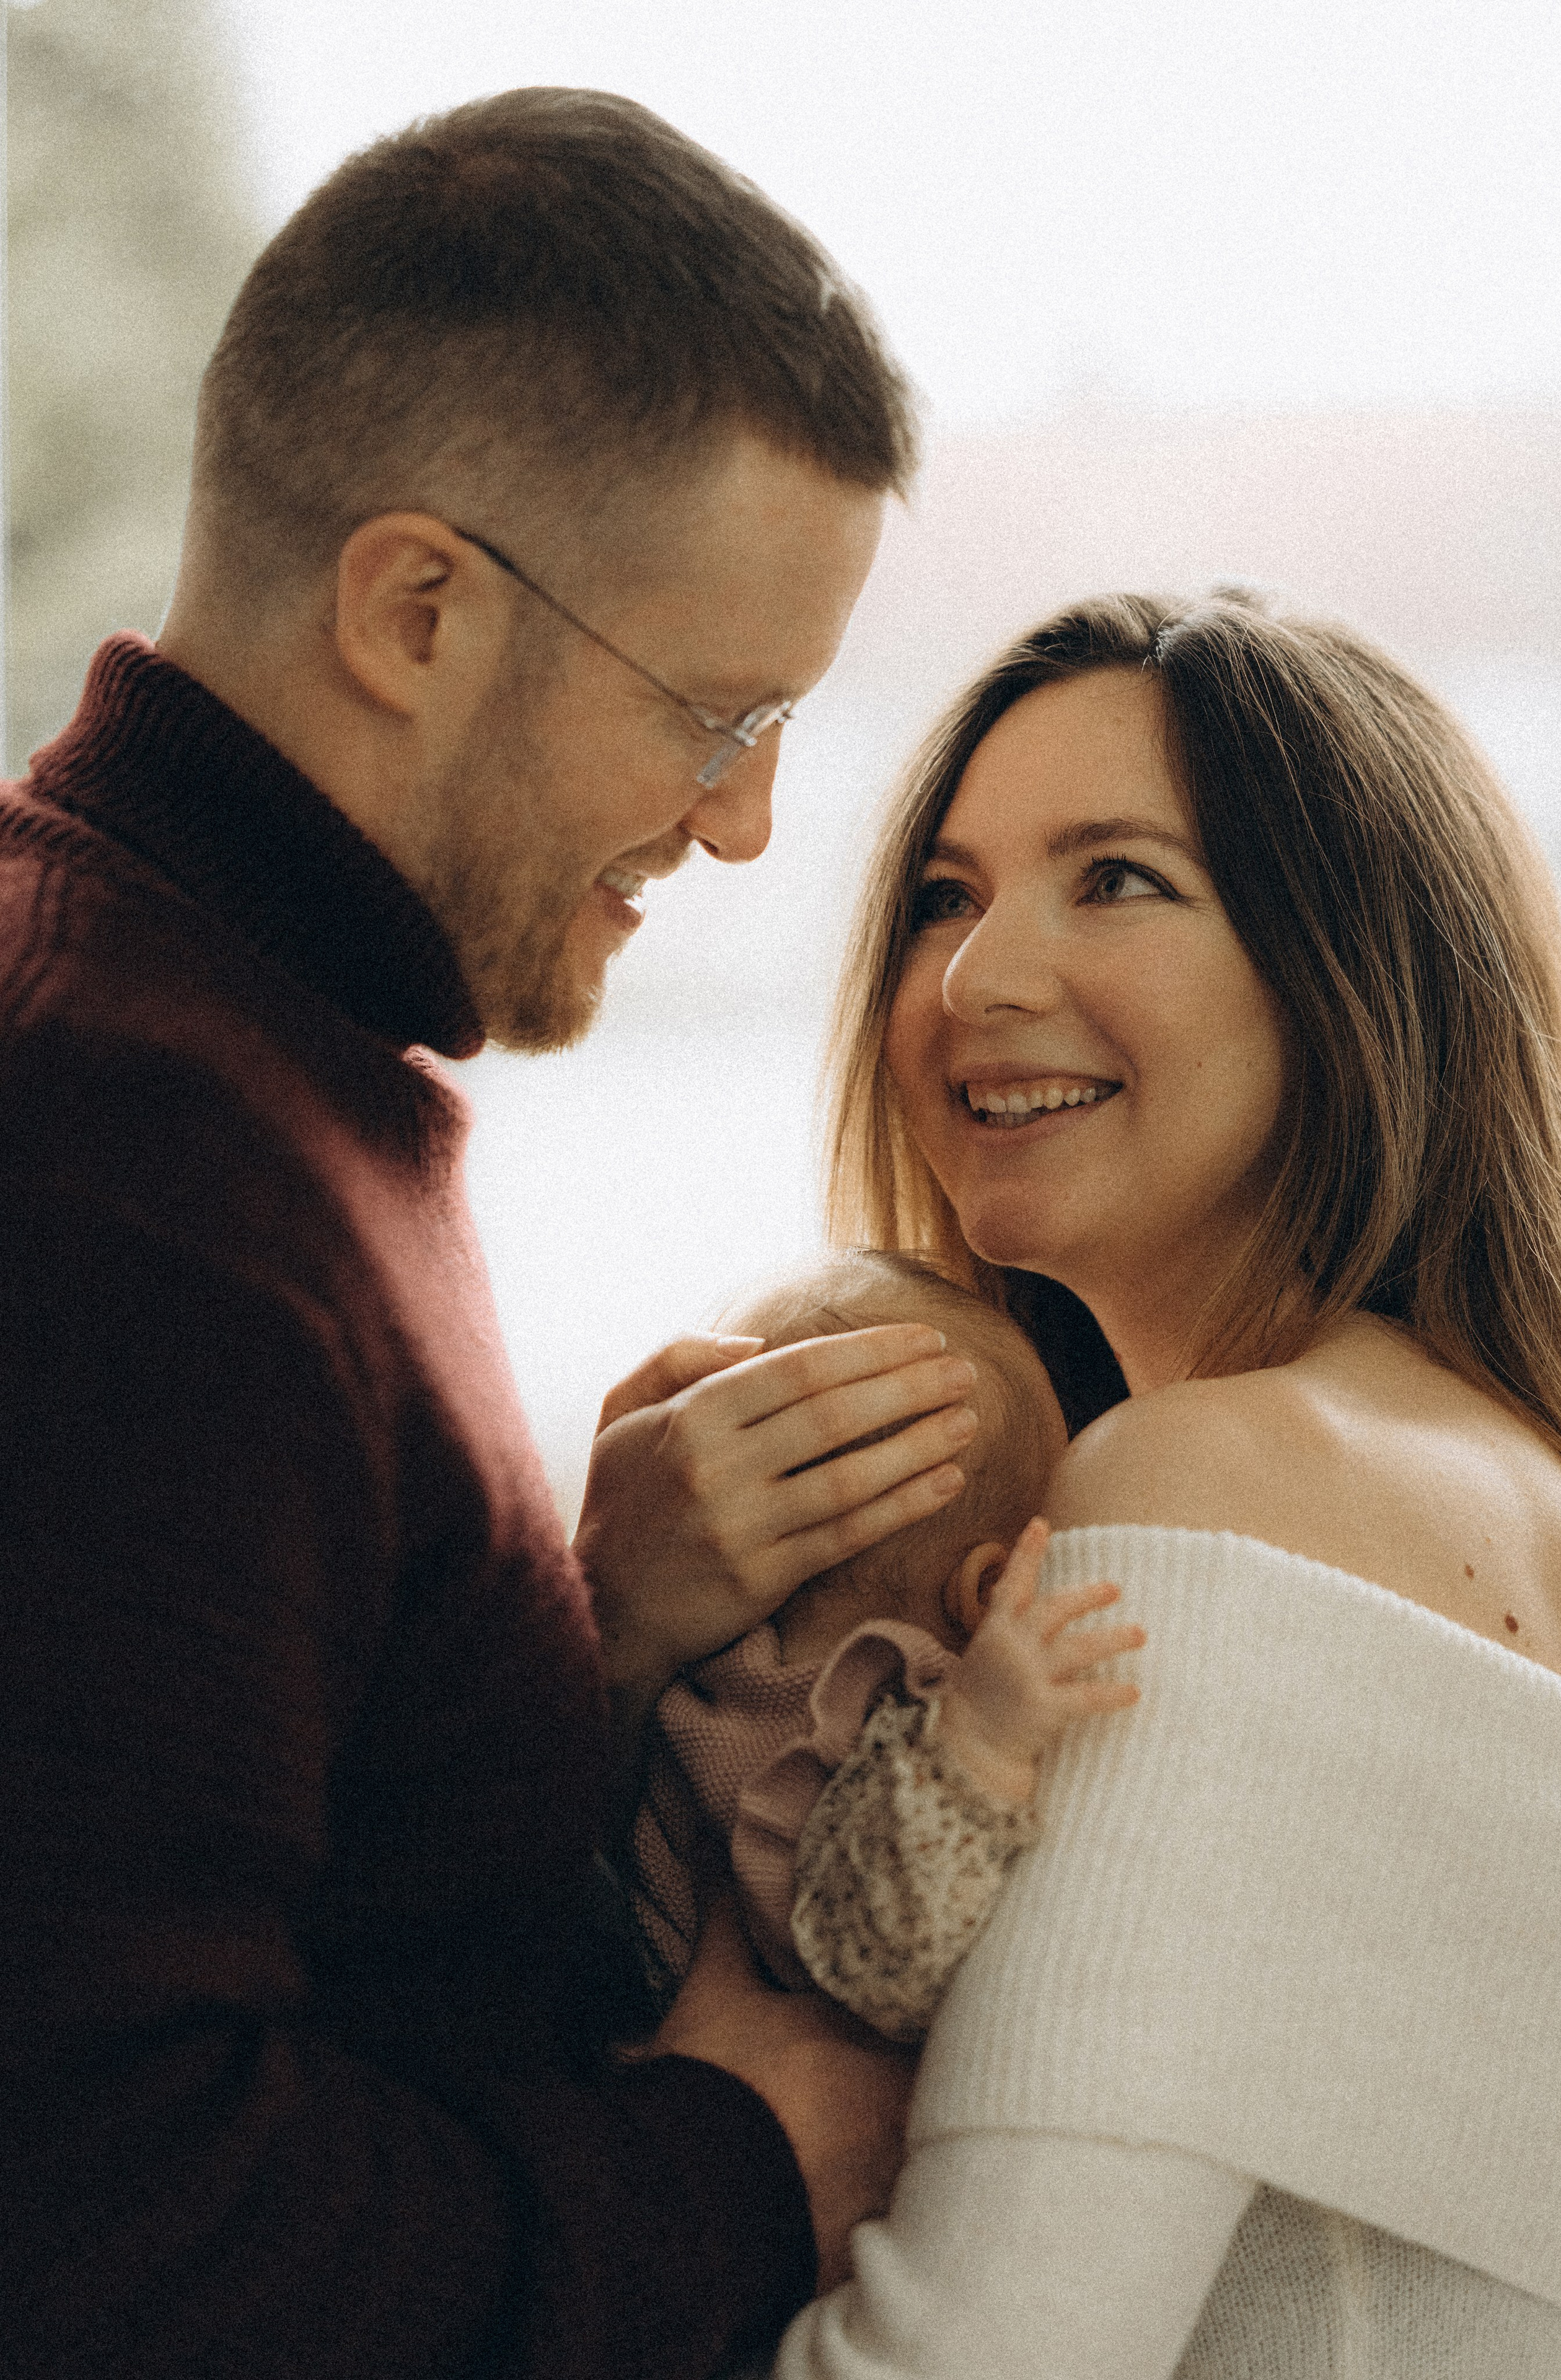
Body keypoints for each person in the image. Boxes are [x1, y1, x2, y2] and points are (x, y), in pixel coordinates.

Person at [0, 89, 988, 2380]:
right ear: (418, 607)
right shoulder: (121, 1156)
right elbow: (106, 2229)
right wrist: (740, 2156)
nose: (744, 826)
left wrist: (577, 1625)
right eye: (716, 713)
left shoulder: (250, 1053)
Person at [767, 592, 1561, 2374]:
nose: (976, 980)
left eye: (1118, 878)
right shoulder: (1513, 1480)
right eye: (945, 896)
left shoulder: (1216, 1484)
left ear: (1357, 968)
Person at [630, 1251, 1142, 2042]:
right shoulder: (838, 1720)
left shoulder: (669, 1689)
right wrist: (978, 1743)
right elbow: (876, 1957)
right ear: (987, 1589)